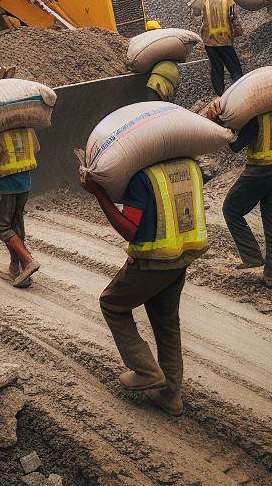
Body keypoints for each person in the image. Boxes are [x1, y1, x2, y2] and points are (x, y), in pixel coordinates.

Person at [80, 151, 207, 417]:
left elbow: (130, 229)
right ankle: (171, 396)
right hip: (182, 256)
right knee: (167, 323)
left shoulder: (142, 177)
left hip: (152, 261)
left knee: (112, 304)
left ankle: (146, 370)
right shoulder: (190, 166)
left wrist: (99, 194)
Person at [208, 93, 272, 288]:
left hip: (258, 173)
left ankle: (251, 255)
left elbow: (236, 146)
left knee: (230, 209)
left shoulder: (259, 115)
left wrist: (222, 126)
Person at [0, 125, 42, 289]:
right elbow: (36, 148)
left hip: (5, 187)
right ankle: (15, 268)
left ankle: (28, 261)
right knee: (15, 225)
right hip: (25, 185)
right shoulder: (28, 130)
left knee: (3, 227)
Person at [197, 0, 243, 96]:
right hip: (225, 41)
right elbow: (235, 20)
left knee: (216, 68)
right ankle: (239, 91)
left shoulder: (205, 4)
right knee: (234, 67)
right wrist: (238, 33)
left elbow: (204, 22)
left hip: (209, 43)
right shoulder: (229, 3)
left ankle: (220, 94)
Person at [142, 22, 181, 104]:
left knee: (154, 108)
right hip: (173, 75)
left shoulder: (149, 45)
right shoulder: (167, 42)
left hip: (157, 80)